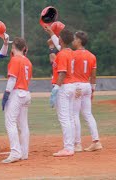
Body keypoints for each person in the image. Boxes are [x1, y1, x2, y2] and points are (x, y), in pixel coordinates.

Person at [1, 37, 32, 163]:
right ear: (24, 48)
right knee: (23, 124)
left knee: (10, 122)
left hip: (16, 93)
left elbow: (12, 79)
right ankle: (24, 153)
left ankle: (15, 152)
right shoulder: (28, 61)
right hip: (26, 93)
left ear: (13, 48)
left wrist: (6, 94)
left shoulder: (15, 60)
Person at [72, 31, 102, 152]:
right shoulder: (92, 56)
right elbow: (93, 76)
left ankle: (77, 144)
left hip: (77, 85)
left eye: (74, 39)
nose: (73, 41)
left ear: (79, 41)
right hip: (87, 85)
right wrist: (92, 89)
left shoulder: (73, 55)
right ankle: (96, 141)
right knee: (88, 114)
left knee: (74, 114)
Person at [49, 29, 76, 157]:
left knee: (64, 118)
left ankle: (68, 148)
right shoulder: (70, 52)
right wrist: (50, 32)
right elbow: (59, 45)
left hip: (64, 87)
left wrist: (56, 89)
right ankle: (72, 145)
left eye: (59, 37)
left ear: (62, 40)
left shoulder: (62, 54)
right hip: (71, 86)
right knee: (70, 117)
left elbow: (62, 73)